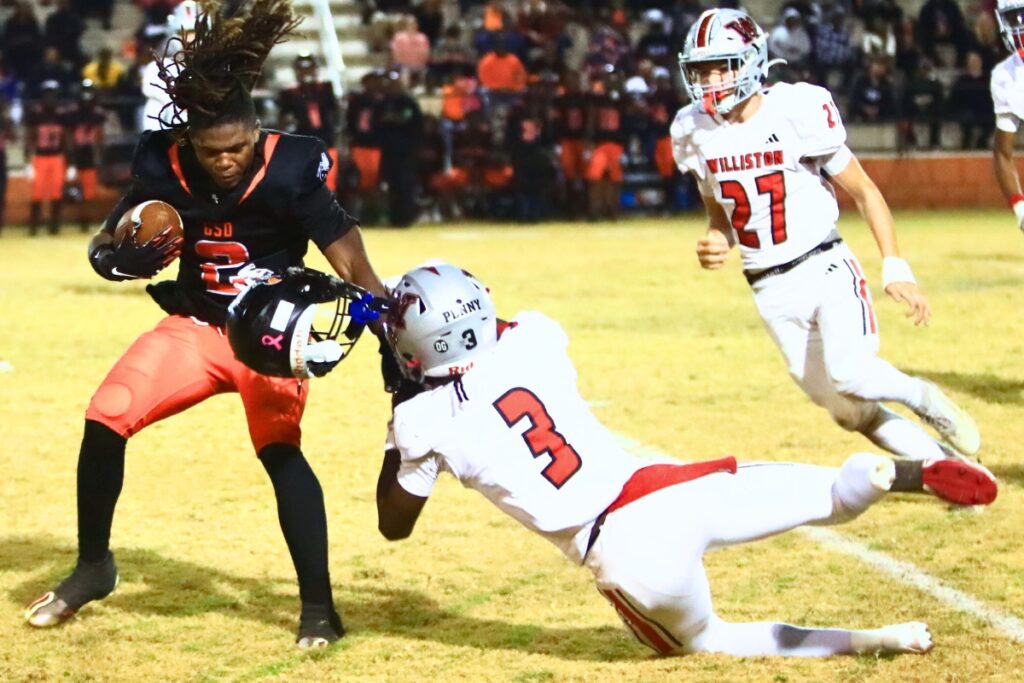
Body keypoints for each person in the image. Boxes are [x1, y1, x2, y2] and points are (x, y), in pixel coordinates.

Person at [360, 262, 996, 657]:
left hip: (621, 549)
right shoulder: (533, 337)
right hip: (671, 488)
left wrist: (401, 412)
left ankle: (877, 640)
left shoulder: (420, 420)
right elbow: (489, 334)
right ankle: (882, 473)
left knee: (712, 641)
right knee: (830, 495)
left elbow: (394, 523)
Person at [24, 0, 386, 650]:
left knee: (280, 450)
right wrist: (111, 255)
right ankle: (93, 565)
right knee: (105, 417)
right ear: (191, 141)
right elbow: (115, 232)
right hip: (195, 323)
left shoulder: (293, 164)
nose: (229, 160)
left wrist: (381, 313)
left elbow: (345, 245)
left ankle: (318, 606)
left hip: (269, 334)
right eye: (216, 150)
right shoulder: (162, 160)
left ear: (257, 133)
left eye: (241, 147)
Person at [673, 9, 981, 464]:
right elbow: (720, 211)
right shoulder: (691, 128)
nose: (711, 81)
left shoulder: (795, 108)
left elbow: (865, 191)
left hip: (823, 264)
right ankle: (949, 471)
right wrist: (717, 237)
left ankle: (922, 396)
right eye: (702, 71)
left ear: (752, 60)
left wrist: (895, 267)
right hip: (766, 286)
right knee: (849, 412)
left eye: (723, 67)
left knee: (853, 373)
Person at [276, 52, 341, 193]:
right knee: (305, 183)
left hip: (325, 141)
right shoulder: (289, 93)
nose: (305, 71)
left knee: (328, 182)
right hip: (302, 143)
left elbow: (336, 114)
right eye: (301, 68)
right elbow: (283, 119)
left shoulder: (325, 89)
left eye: (309, 67)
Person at [990, 0, 1024, 234]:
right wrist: (1020, 208)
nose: (1019, 26)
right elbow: (1003, 153)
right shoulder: (1005, 76)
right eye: (1013, 18)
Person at [24, 80, 69, 236]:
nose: (50, 98)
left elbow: (65, 138)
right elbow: (29, 136)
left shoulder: (62, 114)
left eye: (53, 94)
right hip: (40, 156)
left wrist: (70, 161)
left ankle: (54, 225)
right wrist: (27, 160)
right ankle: (33, 225)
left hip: (57, 156)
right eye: (48, 94)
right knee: (37, 192)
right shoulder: (36, 113)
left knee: (57, 191)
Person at [64, 80, 108, 232]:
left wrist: (100, 159)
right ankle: (79, 220)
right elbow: (68, 137)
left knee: (88, 193)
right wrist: (69, 161)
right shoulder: (73, 113)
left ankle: (85, 222)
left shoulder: (97, 114)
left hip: (89, 155)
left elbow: (100, 138)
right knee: (74, 192)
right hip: (76, 156)